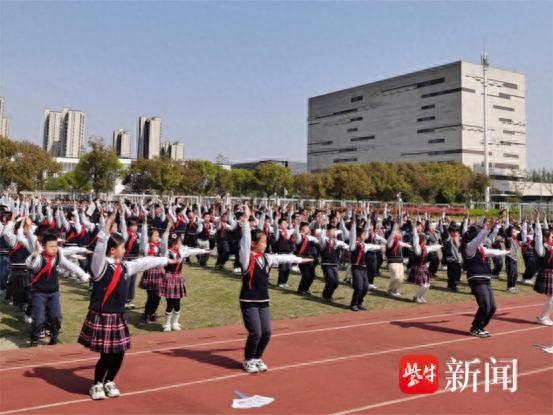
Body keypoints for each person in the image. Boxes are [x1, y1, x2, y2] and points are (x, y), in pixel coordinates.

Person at [78, 213, 177, 400]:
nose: (125, 250)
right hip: (103, 315)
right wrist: (105, 230)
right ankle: (97, 384)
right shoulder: (100, 266)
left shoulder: (124, 267)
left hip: (117, 316)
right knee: (106, 354)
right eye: (122, 247)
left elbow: (142, 263)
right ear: (112, 250)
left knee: (120, 352)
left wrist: (164, 261)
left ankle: (109, 381)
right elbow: (100, 249)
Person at [238, 202, 313, 373]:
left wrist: (300, 260)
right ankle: (248, 360)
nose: (265, 244)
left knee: (267, 332)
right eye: (262, 242)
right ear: (254, 244)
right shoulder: (246, 258)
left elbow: (283, 258)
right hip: (249, 300)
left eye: (265, 242)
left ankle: (257, 357)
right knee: (255, 332)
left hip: (263, 300)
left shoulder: (267, 258)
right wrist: (247, 219)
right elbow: (245, 239)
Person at [26, 232, 90, 346]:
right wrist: (34, 255)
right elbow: (30, 265)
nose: (54, 249)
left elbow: (70, 265)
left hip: (54, 293)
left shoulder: (58, 256)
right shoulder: (39, 258)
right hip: (39, 293)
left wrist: (82, 274)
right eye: (51, 246)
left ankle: (54, 336)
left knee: (56, 316)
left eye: (56, 246)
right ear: (43, 246)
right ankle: (34, 339)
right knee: (39, 319)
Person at [461, 218, 510, 337]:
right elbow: (479, 239)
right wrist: (487, 228)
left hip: (485, 280)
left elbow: (493, 252)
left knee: (492, 307)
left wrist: (507, 252)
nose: (480, 239)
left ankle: (481, 326)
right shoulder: (469, 247)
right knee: (485, 306)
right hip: (477, 280)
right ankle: (475, 328)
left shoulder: (480, 249)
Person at [532, 209, 553, 326]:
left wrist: (543, 220)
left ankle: (544, 316)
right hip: (547, 274)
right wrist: (536, 221)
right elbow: (539, 236)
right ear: (546, 239)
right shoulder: (541, 249)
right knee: (551, 299)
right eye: (551, 237)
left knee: (552, 299)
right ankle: (542, 317)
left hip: (552, 275)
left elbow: (546, 231)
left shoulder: (551, 247)